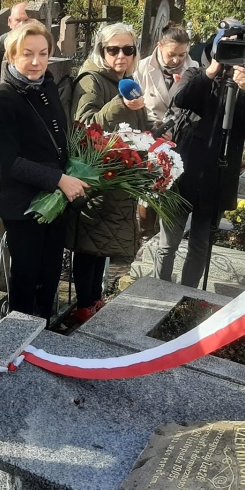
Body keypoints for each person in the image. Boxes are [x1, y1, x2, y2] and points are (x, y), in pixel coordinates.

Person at [153, 26, 245, 288]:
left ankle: (188, 294)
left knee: (200, 246)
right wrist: (211, 71)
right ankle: (158, 288)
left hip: (217, 178)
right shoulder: (196, 73)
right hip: (183, 174)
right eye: (226, 46)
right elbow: (182, 98)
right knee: (167, 244)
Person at [0, 22, 86, 321]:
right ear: (12, 57)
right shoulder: (2, 98)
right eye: (27, 54)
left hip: (56, 200)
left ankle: (43, 337)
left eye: (43, 53)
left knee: (50, 276)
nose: (36, 61)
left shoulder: (48, 86)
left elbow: (57, 140)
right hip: (25, 205)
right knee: (27, 281)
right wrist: (59, 179)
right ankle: (18, 342)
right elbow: (10, 161)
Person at [69, 22, 149, 322]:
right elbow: (85, 126)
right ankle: (84, 304)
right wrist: (119, 104)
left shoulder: (126, 80)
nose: (121, 56)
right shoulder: (91, 81)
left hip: (118, 174)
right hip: (96, 177)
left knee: (101, 245)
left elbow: (137, 125)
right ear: (101, 51)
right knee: (90, 246)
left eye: (128, 50)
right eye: (112, 50)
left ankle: (95, 299)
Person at [135, 23, 199, 132]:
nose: (176, 60)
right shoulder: (141, 67)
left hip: (181, 132)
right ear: (160, 46)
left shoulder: (194, 68)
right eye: (171, 54)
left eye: (182, 55)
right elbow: (135, 109)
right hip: (148, 133)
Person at [0, 2, 29, 96]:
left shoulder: (41, 47)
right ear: (10, 22)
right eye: (18, 20)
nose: (22, 24)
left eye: (27, 20)